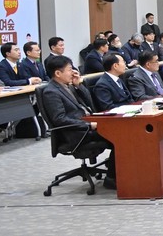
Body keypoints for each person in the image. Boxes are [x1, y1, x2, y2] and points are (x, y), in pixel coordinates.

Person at [41, 55, 117, 189]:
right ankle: (111, 178)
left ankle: (119, 173)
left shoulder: (67, 86)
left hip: (87, 126)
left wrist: (78, 85)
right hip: (76, 133)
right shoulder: (51, 92)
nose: (73, 72)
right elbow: (59, 119)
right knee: (120, 138)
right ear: (58, 73)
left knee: (123, 134)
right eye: (70, 70)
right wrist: (88, 125)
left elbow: (89, 103)